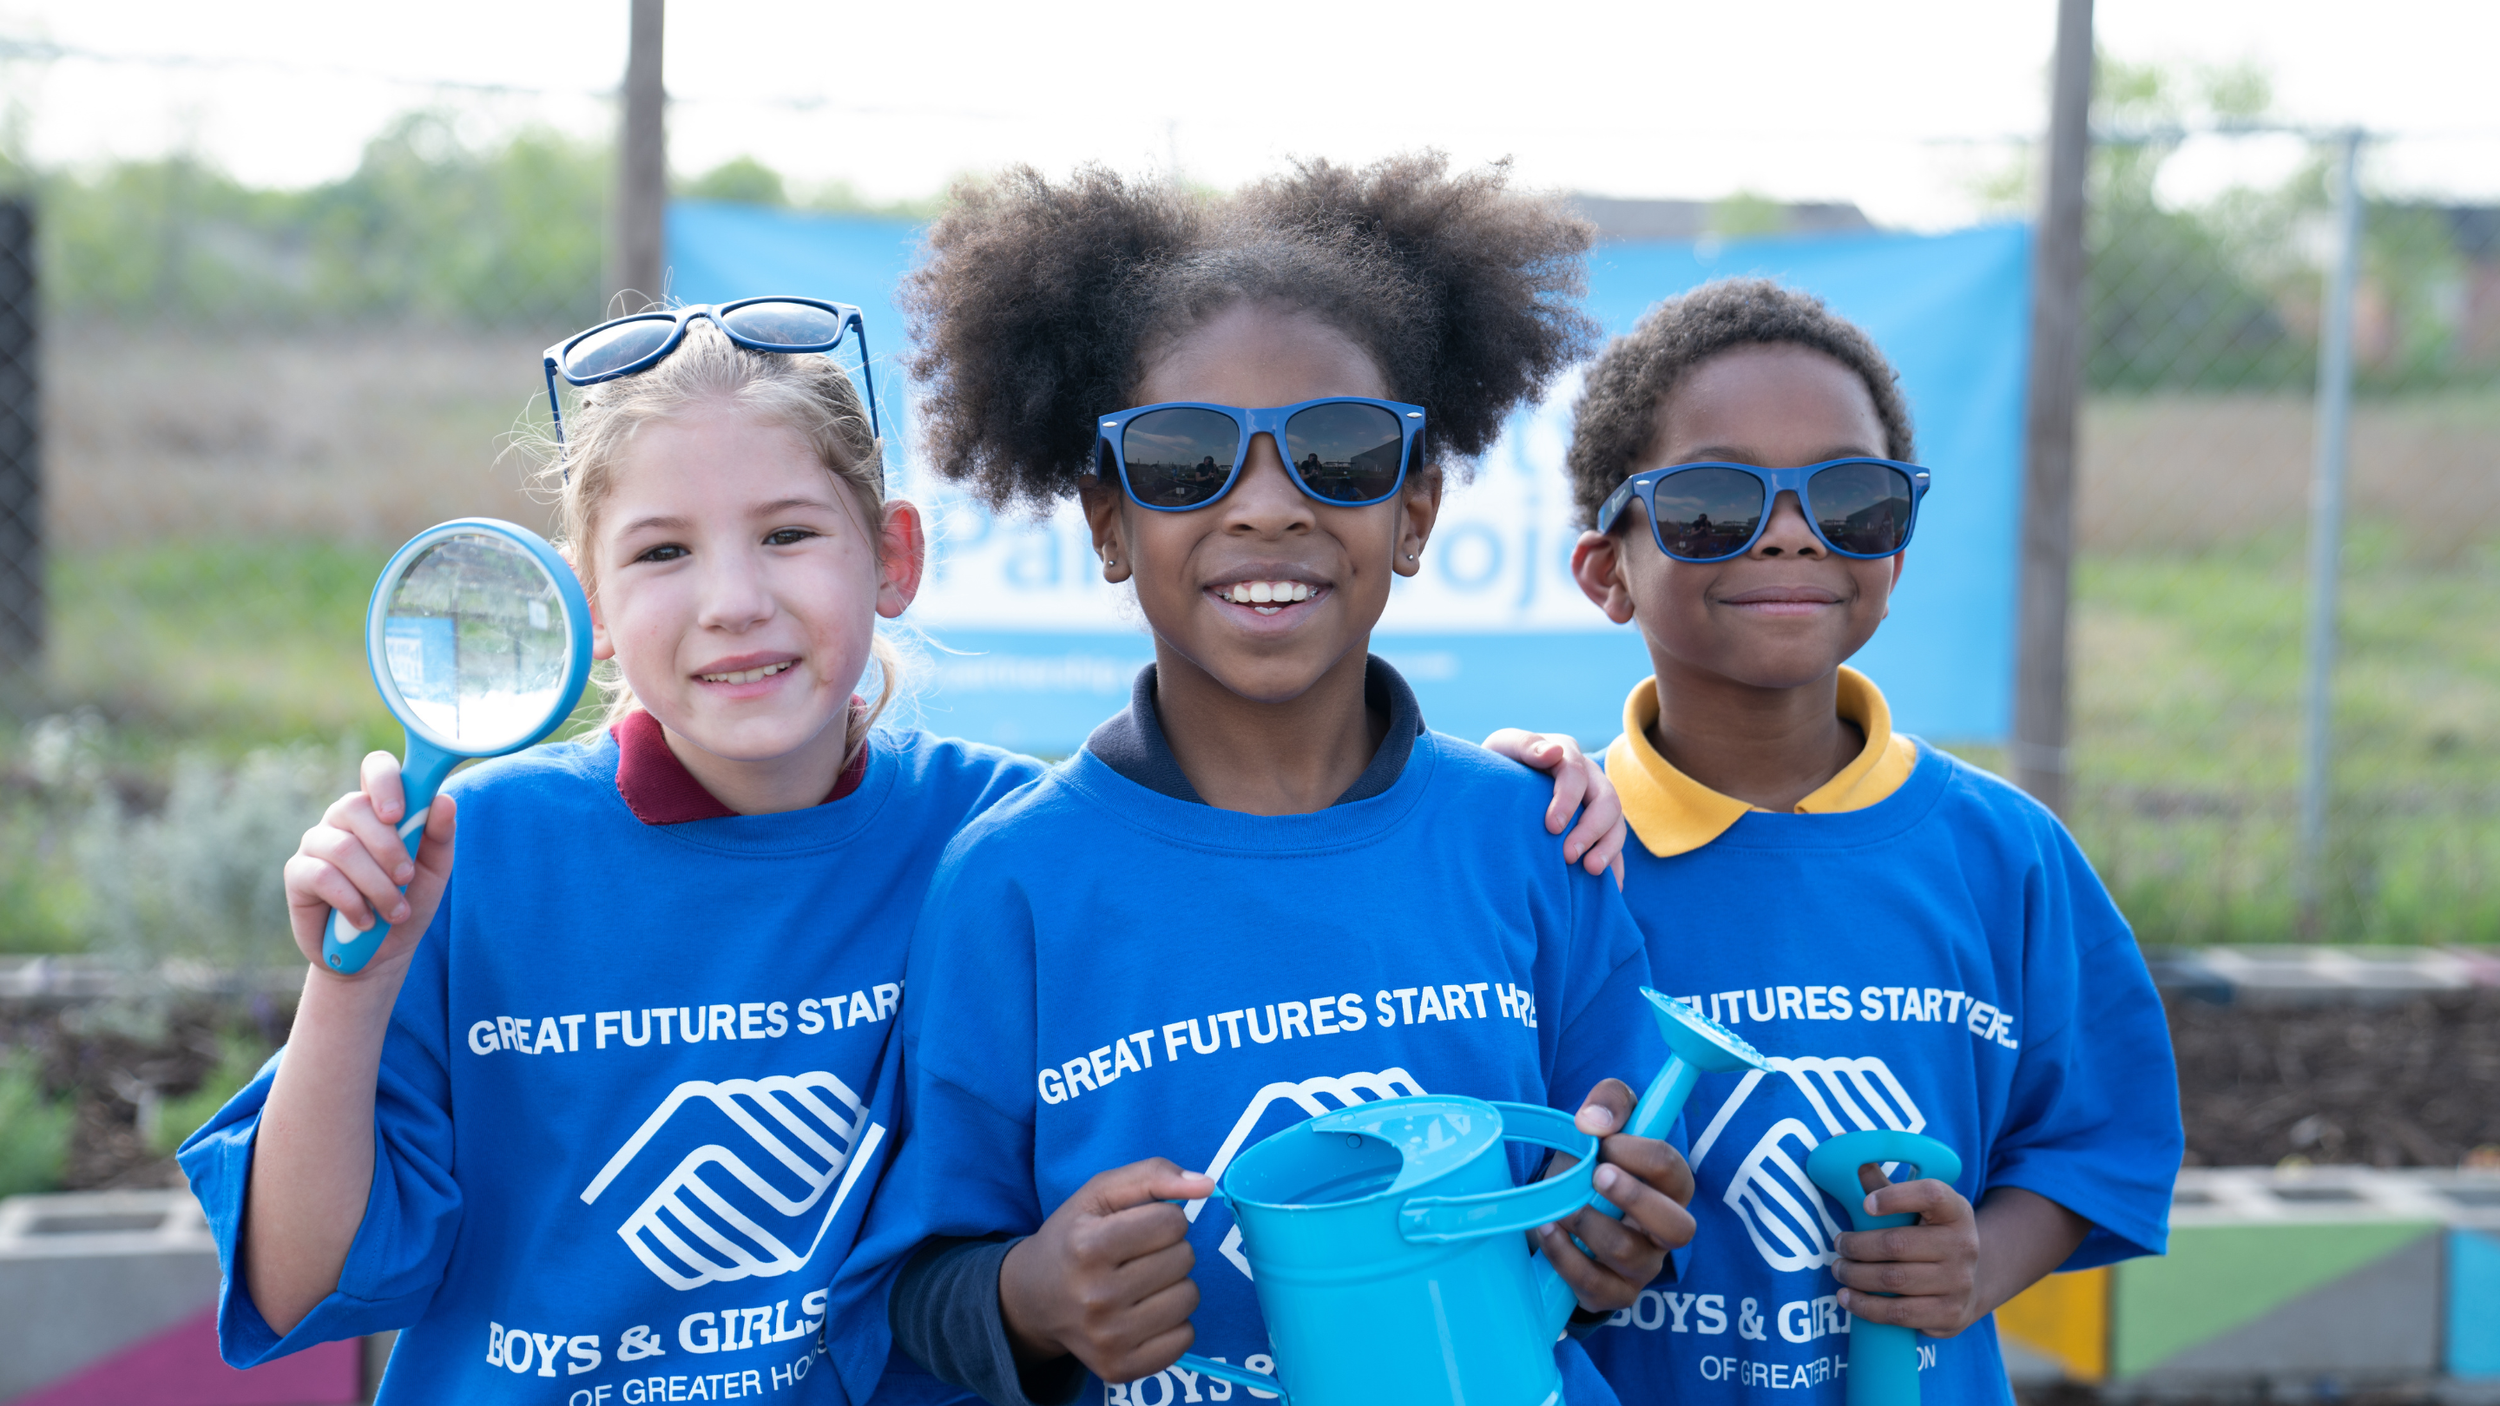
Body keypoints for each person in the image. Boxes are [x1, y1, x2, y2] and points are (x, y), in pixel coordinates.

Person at [180, 309, 1635, 1405]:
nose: (736, 601)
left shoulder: (996, 843)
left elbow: (1242, 833)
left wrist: (1501, 789)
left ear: (892, 559)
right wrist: (347, 984)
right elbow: (302, 1277)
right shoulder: (478, 851)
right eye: (663, 553)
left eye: (789, 534)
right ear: (595, 607)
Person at [837, 156, 1698, 1406]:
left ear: (1414, 510)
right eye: (1187, 459)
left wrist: (1623, 1229)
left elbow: (1623, 1185)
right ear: (1107, 522)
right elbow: (915, 1290)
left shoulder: (1531, 838)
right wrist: (1032, 1293)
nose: (1266, 506)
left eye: (1337, 454)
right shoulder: (1015, 883)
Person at [1559, 278, 2180, 1404]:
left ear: (1893, 551)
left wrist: (1979, 1260)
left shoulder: (2005, 856)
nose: (1791, 532)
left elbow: (2093, 1143)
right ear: (1608, 568)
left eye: (1849, 496)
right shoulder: (1553, 853)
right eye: (1713, 500)